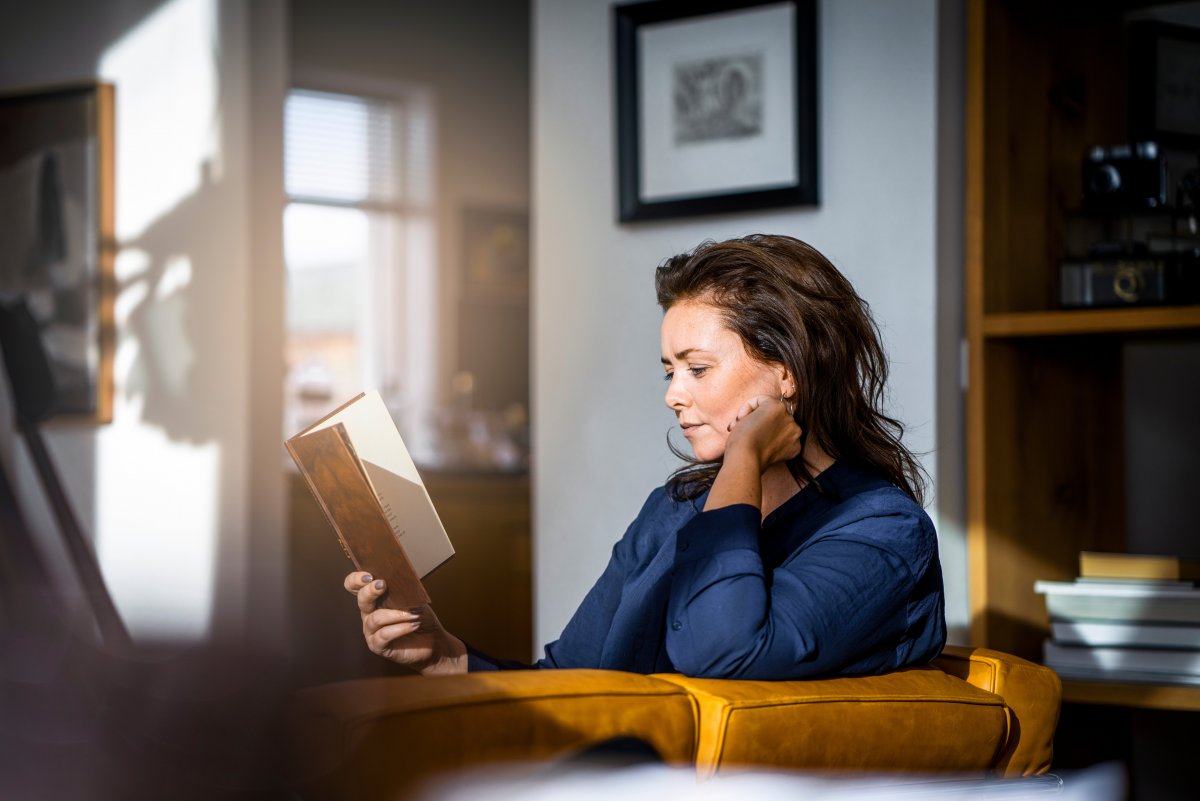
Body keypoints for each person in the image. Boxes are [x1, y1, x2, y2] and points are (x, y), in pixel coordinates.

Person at [344, 234, 946, 680]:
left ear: (786, 373)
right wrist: (443, 654)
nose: (672, 395)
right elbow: (568, 682)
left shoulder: (882, 532)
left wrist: (744, 455)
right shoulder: (672, 511)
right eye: (669, 370)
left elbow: (724, 649)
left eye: (697, 368)